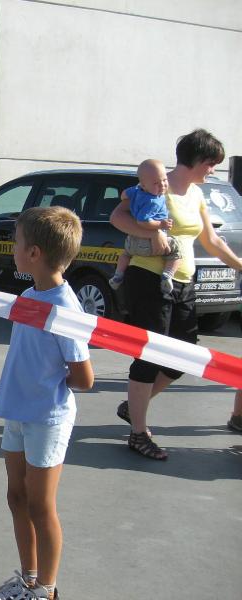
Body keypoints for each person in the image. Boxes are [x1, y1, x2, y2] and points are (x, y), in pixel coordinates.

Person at [0, 206, 93, 600]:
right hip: (16, 412)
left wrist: (45, 387)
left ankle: (46, 589)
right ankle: (28, 580)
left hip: (47, 419)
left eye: (16, 242)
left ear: (34, 254)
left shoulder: (65, 308)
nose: (13, 248)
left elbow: (84, 377)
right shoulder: (29, 295)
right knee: (17, 497)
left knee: (41, 506)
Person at [110, 129, 242, 460]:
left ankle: (132, 407)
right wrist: (150, 233)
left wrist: (240, 265)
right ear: (197, 160)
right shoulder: (157, 184)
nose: (213, 170)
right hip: (148, 278)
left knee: (184, 355)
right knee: (150, 354)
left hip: (183, 281)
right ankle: (138, 433)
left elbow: (211, 240)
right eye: (211, 163)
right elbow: (117, 217)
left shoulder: (196, 194)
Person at [109, 159, 182, 293]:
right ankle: (167, 275)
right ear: (144, 185)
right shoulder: (153, 201)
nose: (162, 185)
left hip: (133, 241)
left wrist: (129, 197)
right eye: (156, 183)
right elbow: (142, 221)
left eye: (164, 180)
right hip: (149, 244)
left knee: (125, 254)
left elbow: (123, 195)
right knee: (176, 251)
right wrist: (161, 224)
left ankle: (118, 275)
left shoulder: (136, 190)